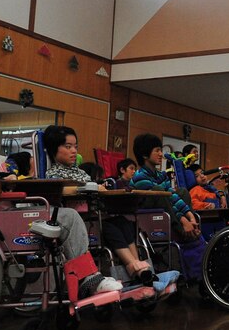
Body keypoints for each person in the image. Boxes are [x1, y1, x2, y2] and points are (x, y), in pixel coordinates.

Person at [0, 87, 121, 298]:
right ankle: (87, 279)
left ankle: (85, 278)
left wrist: (2, 179)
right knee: (69, 218)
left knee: (67, 216)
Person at [42, 125, 175, 293]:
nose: (74, 151)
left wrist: (99, 187)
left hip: (98, 215)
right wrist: (92, 188)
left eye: (75, 146)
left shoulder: (80, 173)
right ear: (54, 149)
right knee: (110, 228)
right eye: (68, 147)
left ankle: (143, 271)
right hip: (84, 220)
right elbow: (60, 190)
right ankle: (134, 267)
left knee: (125, 223)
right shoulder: (53, 174)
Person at [130, 133, 201, 241]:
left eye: (160, 150)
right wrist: (183, 220)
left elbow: (172, 197)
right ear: (145, 155)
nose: (161, 154)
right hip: (146, 215)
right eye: (157, 150)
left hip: (165, 210)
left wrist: (191, 216)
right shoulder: (140, 176)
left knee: (182, 192)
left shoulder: (161, 175)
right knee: (158, 191)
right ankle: (183, 232)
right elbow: (165, 200)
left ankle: (191, 227)